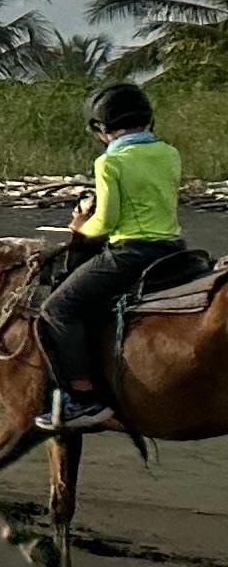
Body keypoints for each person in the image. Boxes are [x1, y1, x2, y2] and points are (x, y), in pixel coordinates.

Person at [35, 81, 191, 434]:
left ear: (101, 128)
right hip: (173, 249)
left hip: (131, 253)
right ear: (148, 118)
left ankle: (83, 398)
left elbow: (106, 221)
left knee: (57, 309)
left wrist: (79, 227)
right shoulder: (170, 153)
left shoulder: (109, 162)